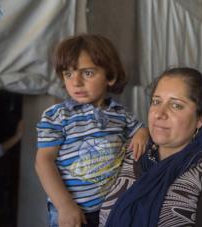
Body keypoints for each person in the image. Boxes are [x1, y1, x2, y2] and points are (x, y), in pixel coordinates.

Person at [100, 67, 202, 227]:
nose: (159, 113)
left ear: (200, 119)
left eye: (176, 105)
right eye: (156, 102)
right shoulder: (132, 150)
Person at [35, 34, 149, 227]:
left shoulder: (120, 114)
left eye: (87, 73)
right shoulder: (57, 116)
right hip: (72, 211)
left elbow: (141, 129)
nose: (76, 82)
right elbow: (43, 161)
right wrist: (65, 206)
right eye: (68, 74)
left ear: (110, 77)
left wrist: (141, 134)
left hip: (111, 209)